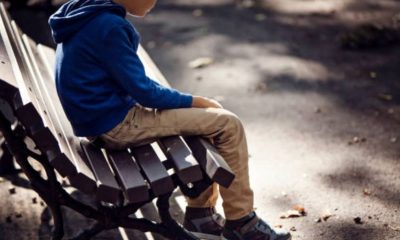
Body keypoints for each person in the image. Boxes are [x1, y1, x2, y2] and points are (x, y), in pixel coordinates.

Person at [48, 0, 291, 239]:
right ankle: (242, 223)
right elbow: (145, 92)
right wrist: (196, 101)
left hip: (99, 120)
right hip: (116, 125)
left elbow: (134, 83)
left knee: (205, 122)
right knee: (228, 124)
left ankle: (201, 216)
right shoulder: (110, 26)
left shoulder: (85, 11)